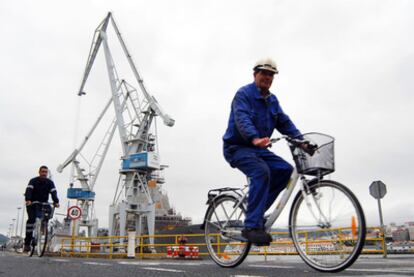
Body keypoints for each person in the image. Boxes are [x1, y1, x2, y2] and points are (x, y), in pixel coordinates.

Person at [222, 58, 302, 245]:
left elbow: (284, 122)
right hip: (238, 147)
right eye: (263, 73)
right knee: (261, 171)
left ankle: (255, 214)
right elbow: (242, 119)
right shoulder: (243, 94)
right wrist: (254, 138)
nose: (267, 77)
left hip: (258, 149)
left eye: (271, 74)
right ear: (255, 74)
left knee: (285, 171)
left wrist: (302, 141)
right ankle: (251, 226)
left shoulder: (272, 101)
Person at [23, 165, 59, 252]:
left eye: (45, 172)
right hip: (33, 203)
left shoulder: (50, 182)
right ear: (39, 172)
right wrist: (28, 199)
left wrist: (56, 201)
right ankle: (27, 243)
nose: (44, 173)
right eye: (42, 172)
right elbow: (29, 190)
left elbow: (53, 192)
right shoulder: (33, 181)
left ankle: (43, 225)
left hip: (44, 203)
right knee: (31, 221)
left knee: (49, 211)